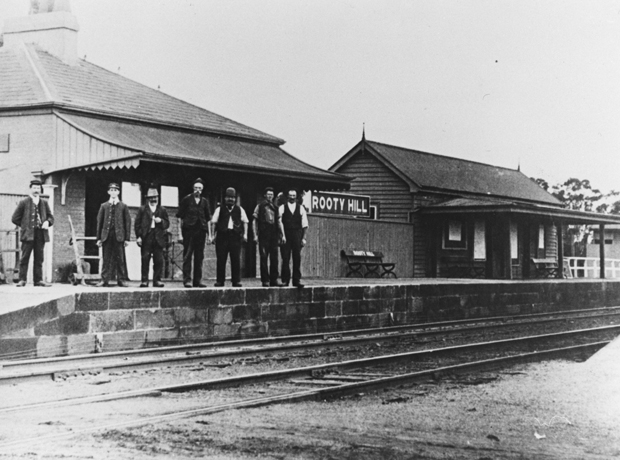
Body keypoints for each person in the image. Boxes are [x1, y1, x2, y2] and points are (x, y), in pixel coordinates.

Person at [11, 178, 54, 287]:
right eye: (34, 188)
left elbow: (51, 217)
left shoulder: (44, 203)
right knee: (25, 258)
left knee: (39, 258)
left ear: (40, 189)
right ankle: (22, 280)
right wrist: (26, 226)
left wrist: (47, 222)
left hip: (40, 234)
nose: (36, 190)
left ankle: (38, 280)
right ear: (30, 189)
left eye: (38, 188)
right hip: (28, 234)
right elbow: (15, 218)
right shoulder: (24, 202)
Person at [176, 178, 212, 288]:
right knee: (187, 256)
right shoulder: (186, 200)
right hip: (188, 232)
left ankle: (197, 281)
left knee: (199, 257)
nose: (197, 190)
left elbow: (208, 219)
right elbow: (179, 218)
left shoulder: (205, 202)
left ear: (202, 190)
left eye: (199, 189)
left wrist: (209, 235)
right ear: (193, 189)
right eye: (196, 188)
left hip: (201, 232)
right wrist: (179, 234)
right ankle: (187, 280)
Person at [96, 182, 131, 287]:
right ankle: (104, 280)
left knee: (120, 258)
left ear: (118, 192)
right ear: (108, 192)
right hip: (106, 235)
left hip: (119, 236)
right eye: (111, 190)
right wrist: (98, 238)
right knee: (106, 259)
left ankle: (121, 280)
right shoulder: (104, 206)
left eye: (115, 190)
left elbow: (127, 222)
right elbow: (99, 222)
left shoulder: (123, 206)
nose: (113, 192)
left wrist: (127, 238)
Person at [211, 187, 248, 287]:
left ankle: (236, 281)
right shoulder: (219, 209)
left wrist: (245, 234)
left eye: (232, 197)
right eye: (228, 197)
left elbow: (245, 222)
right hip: (222, 237)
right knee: (221, 259)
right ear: (225, 198)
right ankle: (220, 281)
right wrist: (212, 236)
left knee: (236, 259)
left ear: (235, 199)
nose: (230, 199)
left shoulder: (240, 209)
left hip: (235, 237)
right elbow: (213, 223)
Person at [134, 188, 170, 288]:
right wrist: (139, 237)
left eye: (155, 197)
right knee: (145, 259)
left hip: (158, 237)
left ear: (158, 198)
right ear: (148, 199)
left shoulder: (162, 210)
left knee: (158, 260)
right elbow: (137, 224)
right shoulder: (142, 209)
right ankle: (144, 280)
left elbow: (167, 223)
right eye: (151, 198)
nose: (154, 199)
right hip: (147, 237)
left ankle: (157, 280)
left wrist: (161, 221)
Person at [278, 189, 308, 288]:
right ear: (287, 196)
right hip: (285, 235)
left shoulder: (301, 209)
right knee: (285, 258)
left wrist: (303, 238)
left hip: (296, 235)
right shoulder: (282, 208)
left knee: (297, 258)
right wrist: (282, 235)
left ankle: (296, 280)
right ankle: (285, 280)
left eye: (294, 195)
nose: (292, 197)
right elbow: (279, 222)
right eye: (290, 195)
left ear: (296, 197)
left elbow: (305, 225)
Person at [252, 187, 281, 287]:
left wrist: (282, 234)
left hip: (273, 235)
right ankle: (265, 280)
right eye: (268, 194)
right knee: (264, 257)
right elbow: (254, 220)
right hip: (263, 234)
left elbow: (279, 221)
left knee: (275, 258)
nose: (270, 196)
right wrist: (255, 235)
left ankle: (274, 280)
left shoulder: (276, 208)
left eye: (271, 194)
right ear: (265, 195)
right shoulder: (259, 206)